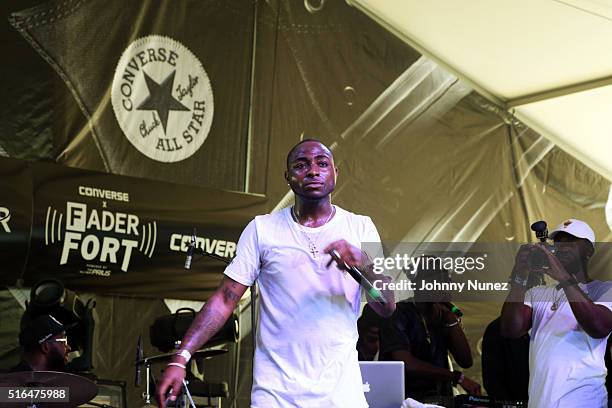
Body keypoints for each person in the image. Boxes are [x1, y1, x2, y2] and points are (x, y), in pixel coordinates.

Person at [157, 139, 395, 408]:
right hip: (276, 395)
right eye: (301, 165)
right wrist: (181, 357)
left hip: (341, 395)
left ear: (335, 173)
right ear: (288, 177)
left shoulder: (361, 227)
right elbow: (225, 299)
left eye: (322, 163)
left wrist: (363, 264)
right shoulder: (262, 229)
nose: (313, 171)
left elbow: (384, 305)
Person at [501, 219, 612, 408]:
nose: (562, 247)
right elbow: (511, 329)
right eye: (558, 242)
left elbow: (599, 327)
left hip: (584, 402)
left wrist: (563, 278)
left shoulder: (604, 290)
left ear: (589, 251)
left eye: (570, 241)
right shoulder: (537, 293)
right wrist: (520, 274)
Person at [379, 259, 481, 402]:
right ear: (418, 284)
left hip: (440, 400)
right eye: (435, 280)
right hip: (405, 400)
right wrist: (456, 377)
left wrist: (451, 320)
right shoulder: (398, 313)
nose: (443, 286)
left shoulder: (444, 315)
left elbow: (466, 361)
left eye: (445, 281)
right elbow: (405, 364)